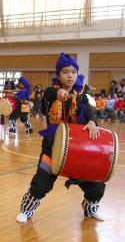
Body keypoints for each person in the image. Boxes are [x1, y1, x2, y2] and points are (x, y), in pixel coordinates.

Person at [16, 52, 104, 224]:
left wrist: (93, 121)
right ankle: (26, 211)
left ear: (77, 74)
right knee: (41, 184)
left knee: (96, 186)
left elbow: (90, 110)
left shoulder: (83, 95)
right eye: (65, 72)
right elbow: (49, 94)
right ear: (58, 75)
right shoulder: (51, 93)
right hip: (53, 147)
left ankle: (90, 209)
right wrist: (59, 94)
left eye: (73, 71)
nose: (70, 75)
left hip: (78, 149)